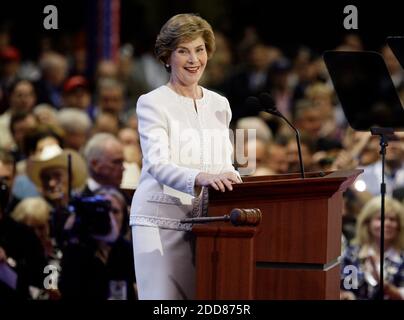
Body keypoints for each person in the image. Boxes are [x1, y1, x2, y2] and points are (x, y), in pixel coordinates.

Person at [130, 13, 242, 300]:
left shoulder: (220, 103)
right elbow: (157, 163)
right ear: (168, 56)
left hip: (209, 223)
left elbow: (223, 162)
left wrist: (235, 178)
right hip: (159, 221)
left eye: (199, 50)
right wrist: (200, 177)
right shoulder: (152, 102)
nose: (194, 59)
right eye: (183, 51)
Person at [340, 196, 404, 300]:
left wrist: (383, 284)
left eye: (392, 219)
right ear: (368, 223)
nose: (387, 223)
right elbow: (348, 287)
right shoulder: (353, 254)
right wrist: (347, 295)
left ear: (399, 225)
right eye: (380, 218)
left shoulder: (402, 258)